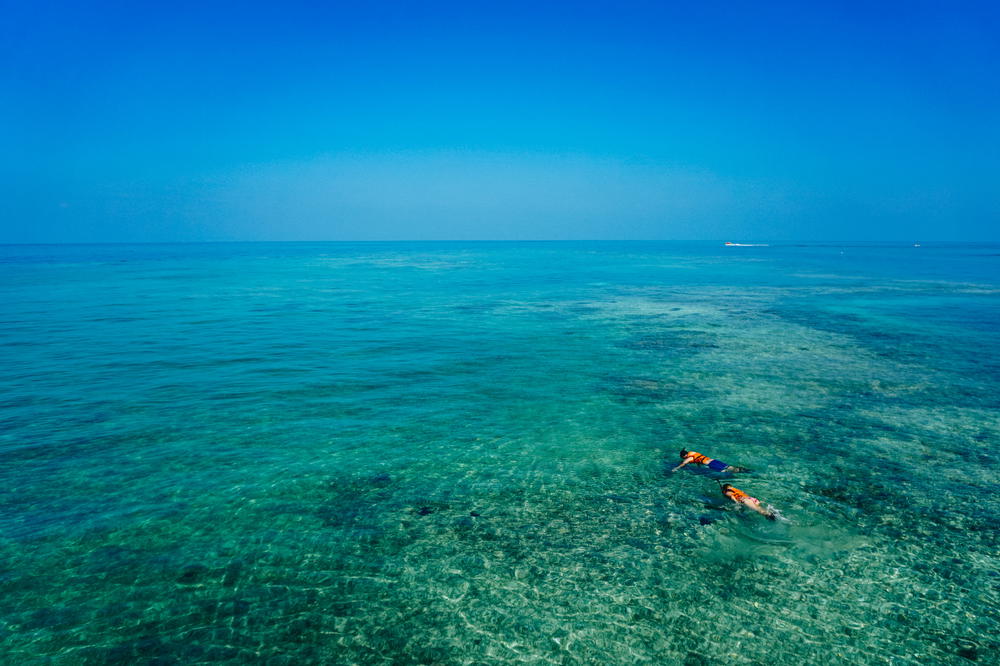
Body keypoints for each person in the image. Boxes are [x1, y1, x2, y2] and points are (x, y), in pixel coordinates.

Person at [671, 449, 749, 474]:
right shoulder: (693, 453)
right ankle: (745, 470)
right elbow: (698, 460)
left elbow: (683, 464)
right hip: (713, 460)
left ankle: (742, 472)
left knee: (724, 471)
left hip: (710, 464)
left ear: (684, 456)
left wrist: (676, 468)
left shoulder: (689, 458)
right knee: (729, 467)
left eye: (683, 457)